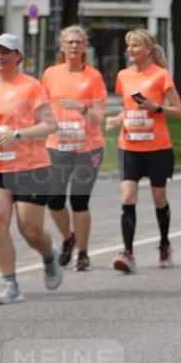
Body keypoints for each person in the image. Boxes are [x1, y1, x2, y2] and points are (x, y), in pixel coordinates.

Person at [0, 34, 63, 304]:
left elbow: (50, 125)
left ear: (18, 56)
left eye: (6, 52)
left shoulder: (31, 86)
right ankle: (10, 285)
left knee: (30, 231)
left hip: (30, 166)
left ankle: (49, 256)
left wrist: (18, 135)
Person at [106, 29, 181, 273]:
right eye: (128, 46)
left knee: (159, 198)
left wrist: (155, 106)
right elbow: (129, 108)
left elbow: (179, 110)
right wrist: (118, 118)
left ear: (148, 49)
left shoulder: (161, 75)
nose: (129, 50)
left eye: (135, 46)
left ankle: (164, 244)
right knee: (127, 196)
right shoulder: (123, 76)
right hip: (129, 145)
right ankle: (127, 253)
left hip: (157, 146)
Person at [42, 26, 107, 271]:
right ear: (61, 46)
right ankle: (68, 238)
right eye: (69, 42)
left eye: (78, 42)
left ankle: (83, 253)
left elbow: (98, 117)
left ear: (84, 46)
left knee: (79, 201)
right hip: (57, 146)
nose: (74, 46)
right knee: (54, 200)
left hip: (87, 147)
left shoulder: (93, 77)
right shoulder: (50, 74)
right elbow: (42, 108)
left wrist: (81, 108)